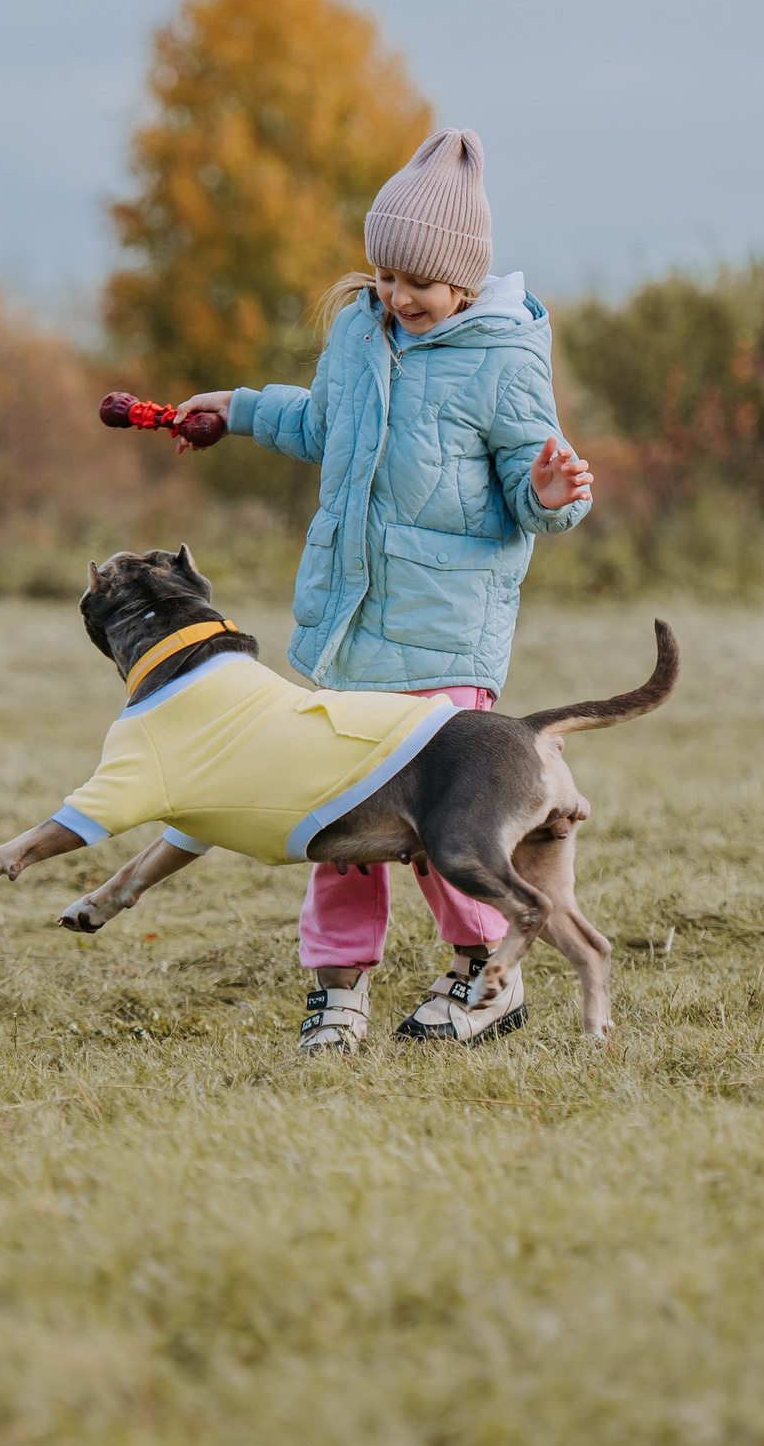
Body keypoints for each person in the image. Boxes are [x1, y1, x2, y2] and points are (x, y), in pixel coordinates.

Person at [172, 127, 593, 1052]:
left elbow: (533, 486)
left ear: (466, 280)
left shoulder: (504, 360)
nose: (399, 295)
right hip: (350, 634)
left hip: (446, 638)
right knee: (337, 824)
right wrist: (238, 409)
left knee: (450, 825)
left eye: (421, 282)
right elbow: (323, 423)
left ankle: (487, 974)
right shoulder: (360, 333)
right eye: (387, 274)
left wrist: (549, 493)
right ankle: (338, 989)